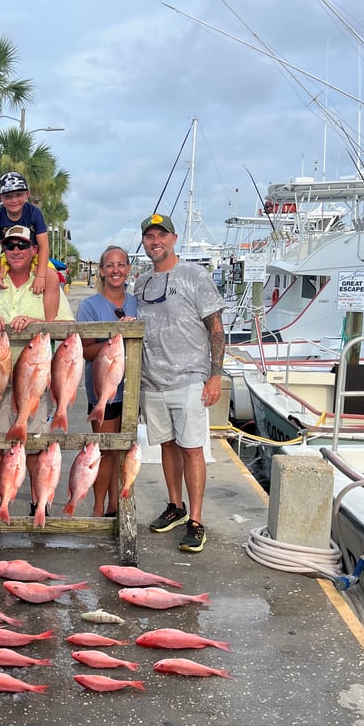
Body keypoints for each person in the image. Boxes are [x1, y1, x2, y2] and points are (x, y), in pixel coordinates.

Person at [0, 224, 74, 516]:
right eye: (9, 246)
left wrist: (36, 323)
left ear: (34, 250)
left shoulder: (49, 282)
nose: (15, 251)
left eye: (22, 245)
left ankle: (39, 503)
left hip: (34, 377)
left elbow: (67, 326)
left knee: (35, 445)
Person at [133, 214, 225, 553]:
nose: (155, 241)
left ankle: (196, 520)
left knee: (191, 448)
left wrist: (216, 374)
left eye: (161, 235)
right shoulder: (140, 283)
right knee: (167, 446)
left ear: (173, 238)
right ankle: (176, 505)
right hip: (152, 380)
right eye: (149, 237)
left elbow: (216, 327)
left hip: (188, 378)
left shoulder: (195, 275)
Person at [77, 245, 137, 517]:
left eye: (121, 264)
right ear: (101, 270)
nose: (116, 270)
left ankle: (118, 505)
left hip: (132, 390)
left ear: (128, 269)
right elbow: (85, 350)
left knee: (123, 450)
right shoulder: (89, 306)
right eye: (110, 265)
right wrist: (113, 342)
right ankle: (98, 507)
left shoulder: (137, 302)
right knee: (103, 451)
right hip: (102, 390)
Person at [0, 171, 60, 320]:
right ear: (0, 198)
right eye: (8, 196)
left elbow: (44, 246)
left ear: (27, 194)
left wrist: (40, 276)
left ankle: (49, 323)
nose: (14, 200)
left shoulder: (34, 212)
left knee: (52, 277)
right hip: (7, 255)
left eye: (18, 195)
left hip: (35, 254)